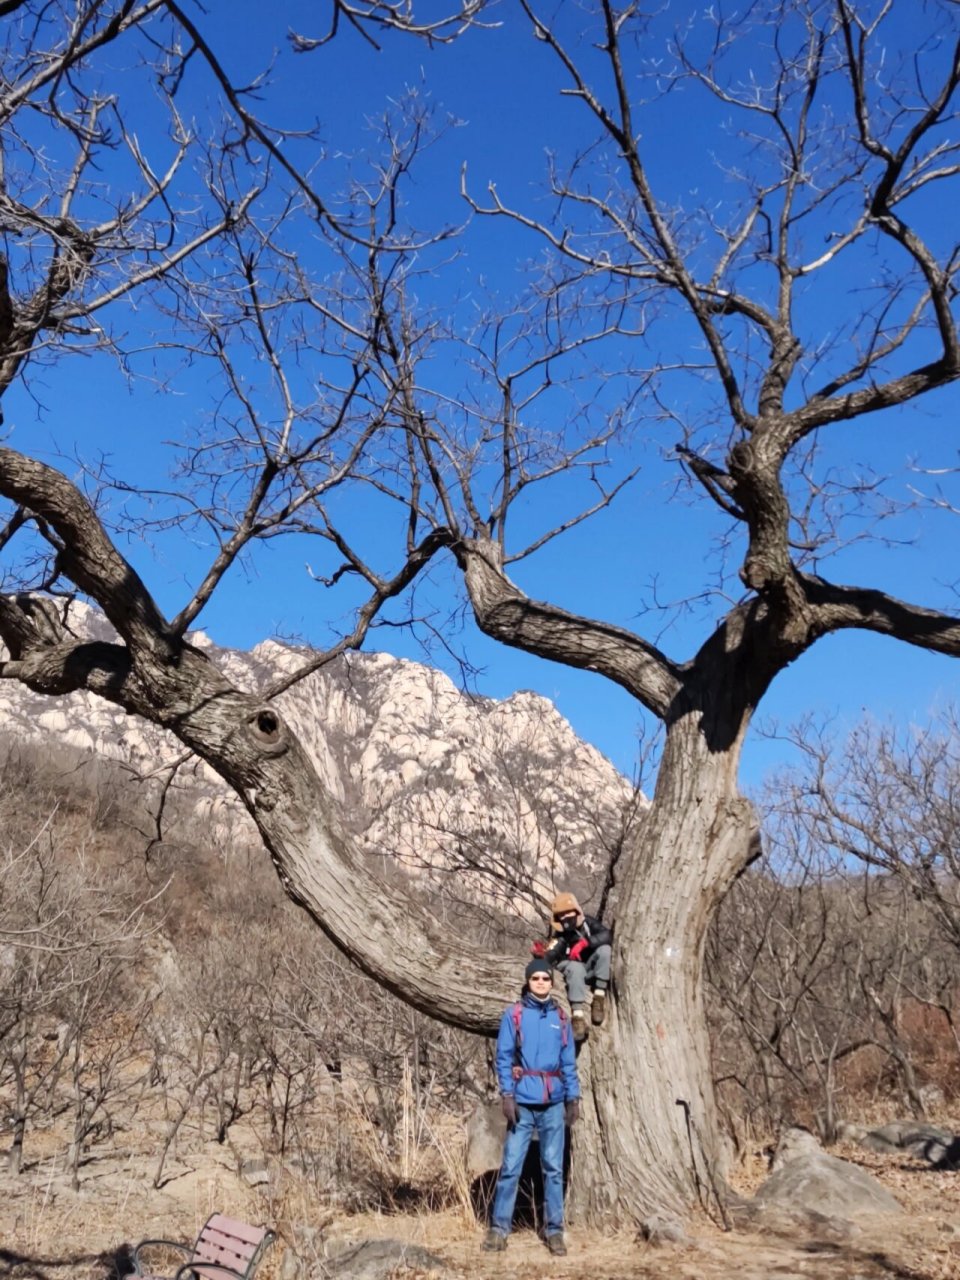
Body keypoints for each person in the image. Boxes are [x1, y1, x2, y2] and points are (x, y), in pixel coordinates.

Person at [483, 957, 581, 1256]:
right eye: (535, 978)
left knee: (553, 1168)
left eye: (545, 978)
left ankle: (554, 1231)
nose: (540, 982)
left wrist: (573, 1097)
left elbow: (568, 1061)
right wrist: (508, 1096)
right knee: (511, 1166)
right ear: (528, 981)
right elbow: (503, 1057)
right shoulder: (514, 1015)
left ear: (552, 982)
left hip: (554, 1103)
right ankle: (499, 1229)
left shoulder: (561, 1018)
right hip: (523, 1103)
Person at [536, 891, 612, 1041]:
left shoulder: (588, 923)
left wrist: (587, 943)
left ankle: (599, 996)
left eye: (568, 913)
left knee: (605, 950)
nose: (565, 918)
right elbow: (553, 952)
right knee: (575, 967)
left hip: (591, 969)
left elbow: (608, 936)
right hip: (574, 971)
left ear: (576, 910)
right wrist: (541, 956)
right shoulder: (561, 935)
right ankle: (578, 1017)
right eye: (561, 916)